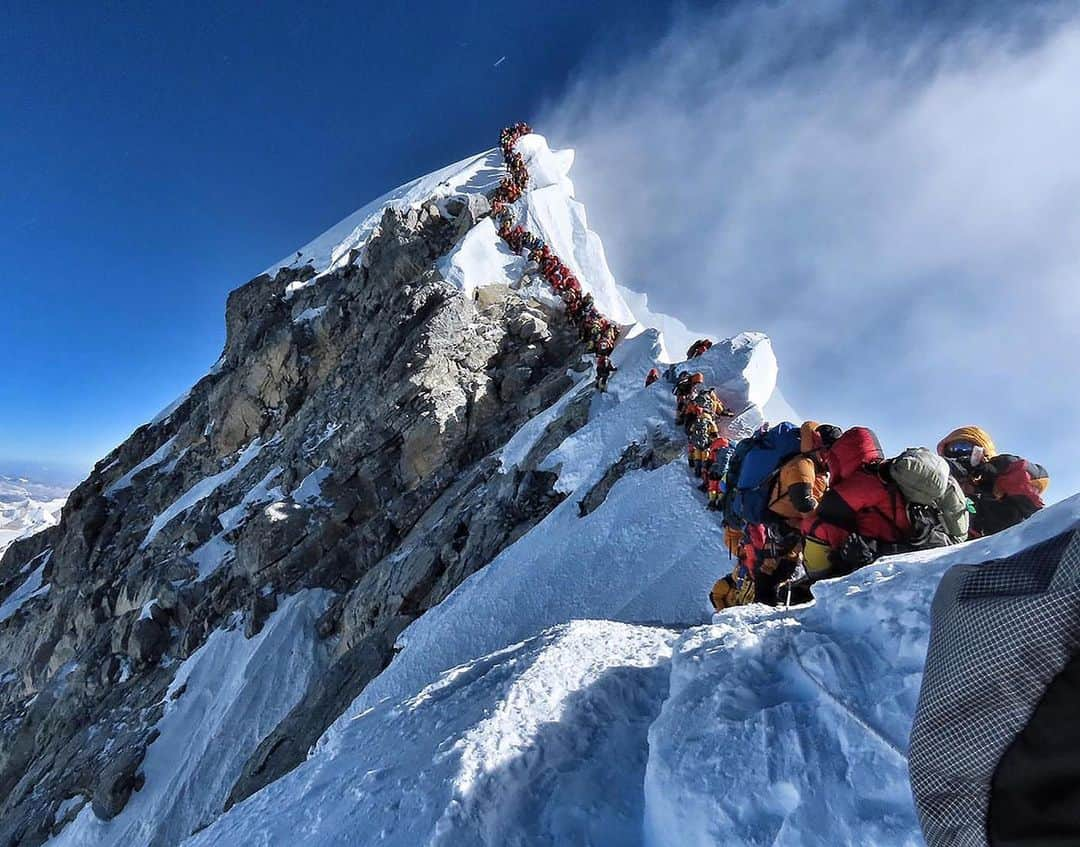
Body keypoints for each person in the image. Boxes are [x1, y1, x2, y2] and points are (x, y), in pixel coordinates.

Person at [802, 427, 911, 581]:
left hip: (882, 547)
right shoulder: (878, 472)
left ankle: (816, 581)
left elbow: (829, 508)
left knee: (815, 525)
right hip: (888, 542)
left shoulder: (865, 479)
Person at [937, 427, 1048, 537]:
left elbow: (1037, 478)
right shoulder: (945, 489)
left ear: (981, 450)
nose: (958, 453)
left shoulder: (1002, 476)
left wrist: (1000, 468)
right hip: (966, 550)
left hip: (1019, 544)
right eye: (952, 450)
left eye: (964, 447)